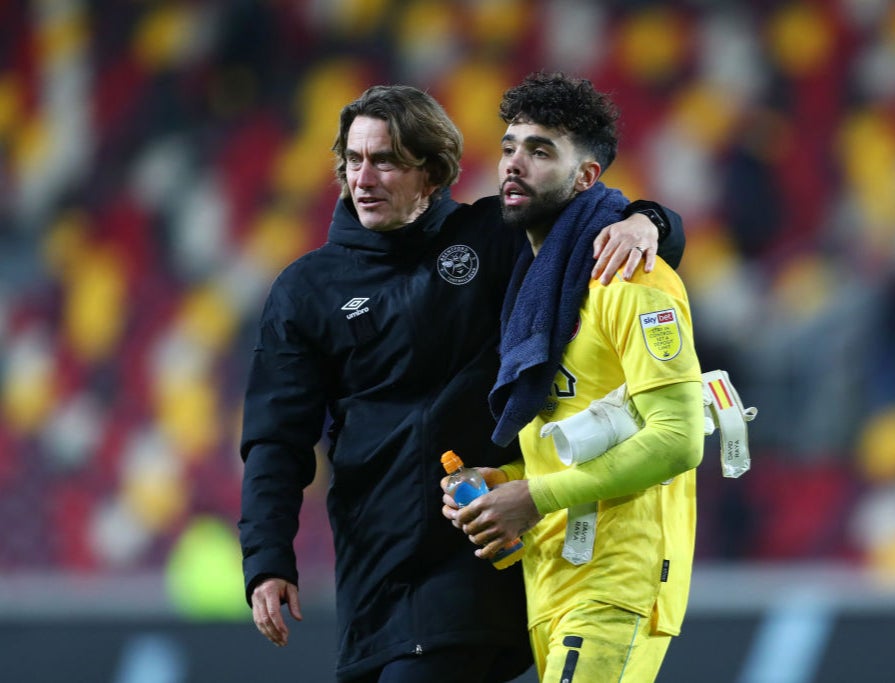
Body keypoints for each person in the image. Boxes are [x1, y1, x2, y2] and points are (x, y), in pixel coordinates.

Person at [238, 83, 686, 683]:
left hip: (476, 555)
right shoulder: (306, 290)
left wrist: (649, 221)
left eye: (387, 160)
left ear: (432, 173)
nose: (363, 177)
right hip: (373, 558)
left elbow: (588, 222)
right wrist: (266, 557)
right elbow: (276, 438)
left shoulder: (492, 240)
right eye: (353, 159)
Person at [442, 72, 705, 682]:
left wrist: (531, 497)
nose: (514, 164)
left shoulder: (631, 276)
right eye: (510, 146)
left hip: (619, 575)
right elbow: (578, 427)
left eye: (540, 151)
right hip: (552, 576)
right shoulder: (535, 286)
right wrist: (504, 482)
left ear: (586, 177)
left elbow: (678, 437)